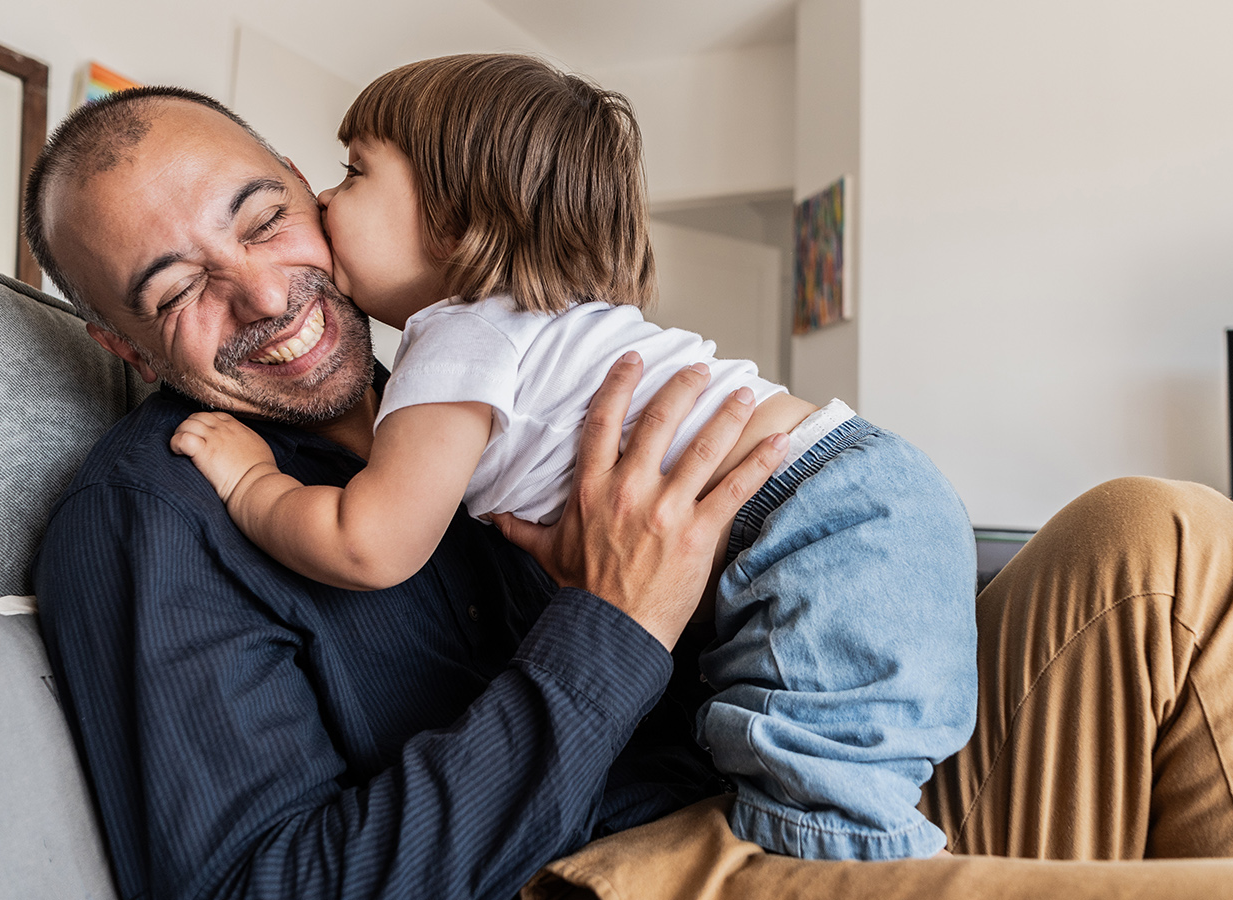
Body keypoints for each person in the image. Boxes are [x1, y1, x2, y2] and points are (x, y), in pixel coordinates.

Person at [24, 85, 1233, 900]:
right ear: (124, 346)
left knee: (1162, 549)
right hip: (615, 870)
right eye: (178, 290)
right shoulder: (156, 514)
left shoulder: (459, 389)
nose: (264, 294)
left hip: (779, 781)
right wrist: (612, 622)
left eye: (265, 218)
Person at [167, 53, 975, 862]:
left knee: (816, 830)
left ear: (454, 217)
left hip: (800, 532)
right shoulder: (544, 322)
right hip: (866, 486)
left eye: (355, 171)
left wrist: (251, 483)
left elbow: (368, 542)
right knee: (862, 792)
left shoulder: (455, 340)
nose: (328, 198)